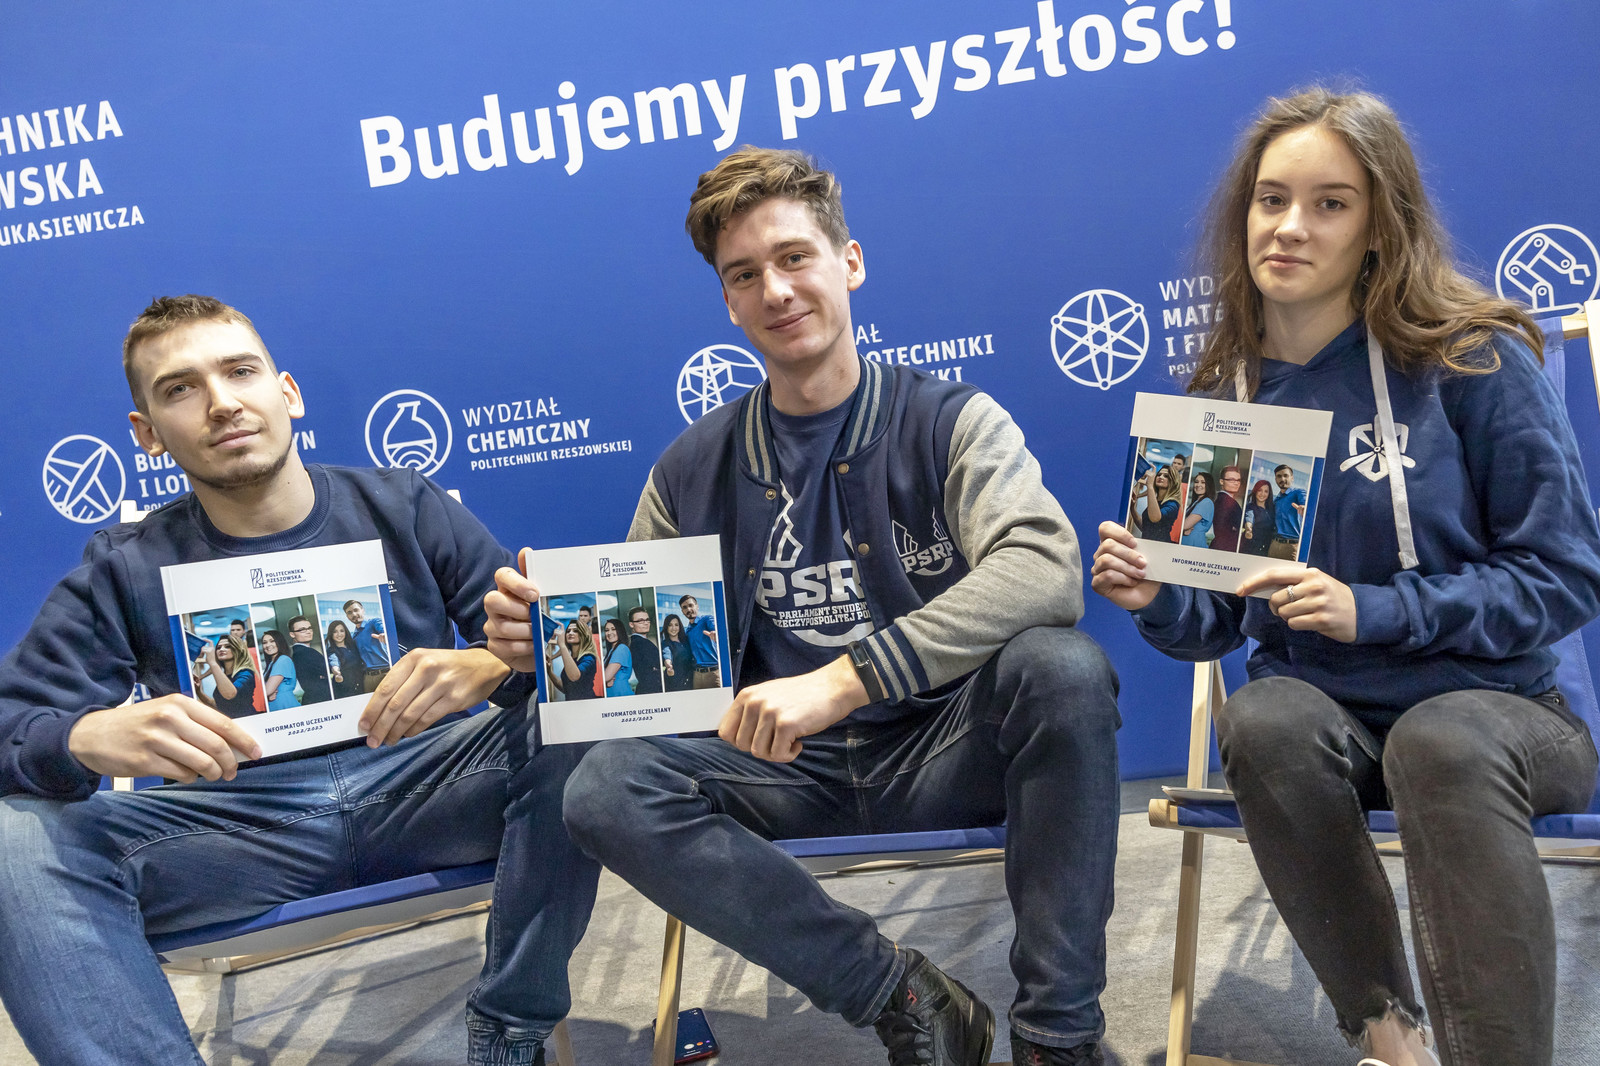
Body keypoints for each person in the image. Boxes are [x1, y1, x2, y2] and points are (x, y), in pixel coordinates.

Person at [486, 147, 1120, 1066]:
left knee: (1062, 670)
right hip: (780, 770)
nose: (776, 290)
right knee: (605, 786)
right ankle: (903, 997)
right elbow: (644, 677)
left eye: (794, 258)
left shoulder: (951, 420)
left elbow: (1046, 567)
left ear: (848, 262)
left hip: (942, 746)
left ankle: (1058, 1040)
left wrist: (845, 680)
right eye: (745, 274)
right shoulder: (689, 468)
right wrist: (549, 649)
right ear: (728, 302)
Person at [1091, 88, 1600, 1066]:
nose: (1289, 226)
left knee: (1439, 741)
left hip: (1504, 714)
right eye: (1270, 199)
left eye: (1329, 203)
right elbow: (1213, 626)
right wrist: (1158, 598)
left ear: (1378, 227)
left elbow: (1565, 575)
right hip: (1333, 721)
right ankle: (1392, 1045)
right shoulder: (1226, 397)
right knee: (1262, 716)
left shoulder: (1470, 358)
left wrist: (1370, 610)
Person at [0, 295, 598, 1066]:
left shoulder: (404, 504)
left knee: (582, 721)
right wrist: (84, 737)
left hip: (430, 789)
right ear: (147, 434)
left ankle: (509, 1038)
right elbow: (12, 727)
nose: (221, 402)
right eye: (181, 389)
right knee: (15, 841)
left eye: (240, 371)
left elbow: (550, 653)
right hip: (239, 827)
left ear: (287, 393)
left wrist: (489, 665)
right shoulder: (124, 566)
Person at [194, 633, 258, 719]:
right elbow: (219, 706)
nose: (222, 649)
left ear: (238, 650)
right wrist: (198, 691)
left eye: (227, 646)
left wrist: (213, 663)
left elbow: (230, 695)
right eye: (218, 647)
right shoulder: (225, 676)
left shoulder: (246, 673)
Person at [546, 620, 600, 701]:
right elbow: (566, 689)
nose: (570, 633)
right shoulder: (572, 659)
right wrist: (549, 671)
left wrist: (562, 645)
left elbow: (574, 677)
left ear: (584, 634)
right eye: (568, 631)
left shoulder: (589, 658)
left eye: (575, 631)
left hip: (587, 705)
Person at [344, 598, 390, 691]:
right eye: (349, 612)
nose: (354, 614)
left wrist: (385, 634)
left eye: (356, 610)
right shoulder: (354, 637)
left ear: (363, 610)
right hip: (368, 678)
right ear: (347, 616)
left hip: (386, 673)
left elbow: (384, 629)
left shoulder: (374, 622)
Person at [287, 614, 334, 704]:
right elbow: (327, 670)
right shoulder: (302, 652)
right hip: (320, 699)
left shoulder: (304, 651)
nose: (308, 632)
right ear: (292, 634)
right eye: (302, 630)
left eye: (309, 628)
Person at [1129, 464, 1181, 541]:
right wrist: (1132, 508)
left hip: (1161, 546)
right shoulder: (1157, 501)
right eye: (1159, 475)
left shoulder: (1172, 504)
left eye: (1166, 476)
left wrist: (1150, 485)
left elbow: (1155, 518)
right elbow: (1145, 527)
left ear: (1173, 481)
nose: (1161, 477)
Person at [679, 593, 720, 688]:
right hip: (696, 675)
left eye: (691, 605)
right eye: (685, 607)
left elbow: (716, 629)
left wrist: (716, 634)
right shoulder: (687, 631)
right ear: (682, 611)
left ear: (697, 606)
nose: (688, 609)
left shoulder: (707, 619)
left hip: (713, 674)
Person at [1269, 463, 1308, 560]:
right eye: (1279, 476)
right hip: (1274, 545)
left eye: (1285, 475)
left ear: (1292, 478)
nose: (1282, 479)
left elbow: (1305, 504)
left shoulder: (1298, 492)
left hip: (1291, 547)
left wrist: (1304, 508)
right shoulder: (1276, 500)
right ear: (1275, 479)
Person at [258, 629, 301, 711]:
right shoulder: (271, 663)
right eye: (264, 642)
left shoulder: (283, 660)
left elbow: (267, 690)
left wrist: (268, 693)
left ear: (280, 642)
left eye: (272, 641)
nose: (268, 645)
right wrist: (268, 695)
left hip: (285, 705)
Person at [325, 619, 366, 700]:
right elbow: (333, 661)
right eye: (335, 632)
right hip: (344, 688)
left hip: (360, 684)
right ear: (331, 634)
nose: (339, 634)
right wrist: (336, 672)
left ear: (346, 632)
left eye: (341, 631)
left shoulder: (353, 645)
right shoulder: (331, 650)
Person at [628, 607, 663, 695]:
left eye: (647, 620)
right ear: (631, 624)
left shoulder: (641, 642)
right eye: (640, 621)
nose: (646, 623)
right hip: (651, 690)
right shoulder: (639, 642)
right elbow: (652, 670)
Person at [1211, 465, 1245, 551]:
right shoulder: (1225, 501)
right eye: (1232, 480)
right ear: (1221, 481)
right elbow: (1223, 530)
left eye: (1238, 480)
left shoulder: (1222, 499)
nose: (1236, 483)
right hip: (1225, 548)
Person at [660, 612, 694, 692]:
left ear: (680, 626)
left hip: (690, 678)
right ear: (666, 627)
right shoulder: (665, 643)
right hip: (675, 680)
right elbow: (666, 654)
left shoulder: (686, 640)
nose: (673, 628)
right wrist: (668, 665)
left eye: (676, 625)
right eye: (670, 625)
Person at [1239, 479, 1275, 556]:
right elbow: (1249, 517)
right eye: (1259, 490)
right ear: (1255, 491)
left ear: (1269, 494)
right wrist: (1248, 529)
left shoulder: (1272, 509)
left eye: (1266, 491)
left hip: (1266, 549)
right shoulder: (1250, 507)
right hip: (1250, 548)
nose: (1262, 494)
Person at [1179, 471, 1215, 548]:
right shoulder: (1196, 502)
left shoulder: (1206, 502)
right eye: (1196, 482)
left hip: (1194, 543)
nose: (1198, 485)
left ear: (1209, 485)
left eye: (1203, 482)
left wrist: (1185, 528)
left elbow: (1185, 525)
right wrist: (1184, 529)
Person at [600, 619, 634, 697]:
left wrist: (607, 680)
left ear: (620, 631)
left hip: (621, 695)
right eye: (607, 630)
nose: (609, 633)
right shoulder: (612, 651)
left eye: (613, 629)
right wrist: (606, 681)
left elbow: (606, 676)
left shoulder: (621, 648)